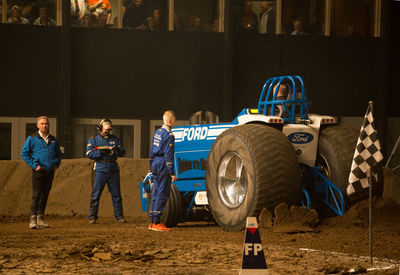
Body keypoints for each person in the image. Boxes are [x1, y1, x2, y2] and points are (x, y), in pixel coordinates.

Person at [21, 116, 62, 229]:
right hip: (38, 171)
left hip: (50, 172)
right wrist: (35, 166)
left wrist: (56, 164)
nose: (45, 125)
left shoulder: (53, 139)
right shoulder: (32, 138)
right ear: (38, 125)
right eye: (42, 123)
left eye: (46, 124)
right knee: (37, 195)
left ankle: (41, 219)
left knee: (45, 195)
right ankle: (33, 220)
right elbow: (24, 154)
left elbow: (59, 154)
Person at [86, 118, 126, 224]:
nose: (108, 131)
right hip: (100, 168)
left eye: (109, 129)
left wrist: (119, 150)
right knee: (96, 194)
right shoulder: (93, 140)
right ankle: (92, 217)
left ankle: (119, 216)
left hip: (113, 169)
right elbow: (89, 154)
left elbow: (122, 152)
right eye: (106, 129)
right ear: (100, 128)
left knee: (116, 194)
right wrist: (101, 153)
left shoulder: (115, 139)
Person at [148, 110, 177, 231]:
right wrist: (172, 172)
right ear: (170, 120)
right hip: (163, 164)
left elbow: (151, 150)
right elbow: (169, 155)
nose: (175, 121)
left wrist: (151, 165)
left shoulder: (157, 132)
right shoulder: (169, 135)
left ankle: (152, 221)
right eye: (174, 119)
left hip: (155, 162)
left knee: (155, 192)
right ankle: (157, 222)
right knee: (163, 193)